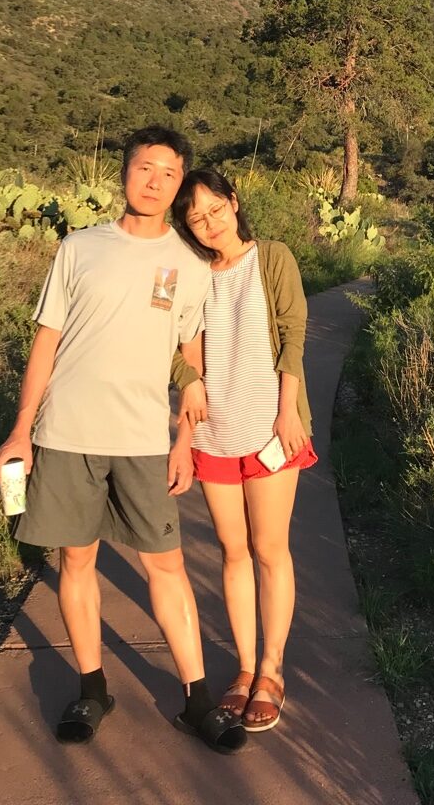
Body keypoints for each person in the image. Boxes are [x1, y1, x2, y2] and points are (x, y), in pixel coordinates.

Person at [0, 125, 245, 753]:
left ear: (179, 184)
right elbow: (47, 340)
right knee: (77, 560)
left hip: (143, 438)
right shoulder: (80, 248)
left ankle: (197, 701)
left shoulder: (190, 266)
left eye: (168, 173)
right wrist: (21, 429)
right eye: (144, 168)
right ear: (124, 172)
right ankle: (92, 687)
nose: (154, 182)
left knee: (166, 564)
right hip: (67, 432)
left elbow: (191, 360)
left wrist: (183, 440)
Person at [170, 166, 315, 733]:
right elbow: (174, 345)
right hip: (215, 432)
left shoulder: (272, 257)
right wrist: (186, 416)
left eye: (215, 209)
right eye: (196, 219)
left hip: (270, 429)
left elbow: (294, 332)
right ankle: (245, 668)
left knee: (269, 548)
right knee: (233, 552)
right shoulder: (190, 275)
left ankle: (272, 671)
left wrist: (288, 411)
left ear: (233, 202)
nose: (209, 223)